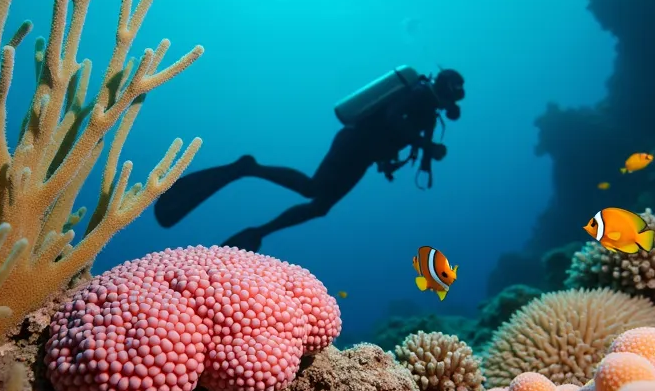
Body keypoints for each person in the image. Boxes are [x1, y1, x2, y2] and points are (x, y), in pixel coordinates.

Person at [154, 67, 466, 252]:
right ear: (447, 89)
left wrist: (411, 154)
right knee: (313, 190)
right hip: (355, 145)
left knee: (319, 206)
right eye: (456, 94)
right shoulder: (420, 96)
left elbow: (399, 135)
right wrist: (427, 146)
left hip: (364, 154)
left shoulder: (428, 107)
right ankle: (248, 169)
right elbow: (394, 119)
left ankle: (259, 231)